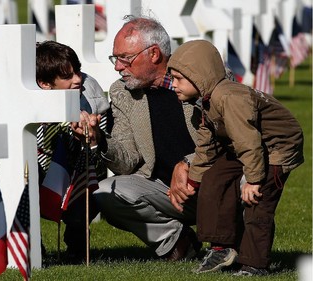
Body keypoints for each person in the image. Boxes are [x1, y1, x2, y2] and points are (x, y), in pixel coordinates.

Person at [72, 15, 205, 261]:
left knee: (245, 179)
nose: (117, 66)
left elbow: (226, 141)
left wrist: (187, 163)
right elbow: (127, 160)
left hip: (212, 182)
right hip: (162, 190)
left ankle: (237, 246)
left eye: (125, 58)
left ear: (154, 54)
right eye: (116, 58)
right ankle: (177, 242)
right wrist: (99, 138)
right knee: (106, 191)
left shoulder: (203, 75)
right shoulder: (121, 92)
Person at [167, 40, 304, 275]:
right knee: (213, 178)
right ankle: (221, 247)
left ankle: (254, 263)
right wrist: (195, 179)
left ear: (199, 76)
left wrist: (253, 180)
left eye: (179, 78)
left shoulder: (229, 97)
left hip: (276, 148)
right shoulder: (205, 102)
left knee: (257, 201)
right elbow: (207, 147)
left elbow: (247, 141)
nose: (173, 85)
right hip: (249, 146)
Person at [36, 40, 110, 263]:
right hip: (42, 173)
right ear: (45, 84)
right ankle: (32, 247)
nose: (78, 79)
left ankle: (77, 243)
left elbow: (101, 159)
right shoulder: (28, 102)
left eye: (77, 71)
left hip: (80, 173)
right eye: (67, 76)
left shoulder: (92, 96)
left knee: (86, 199)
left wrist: (93, 137)